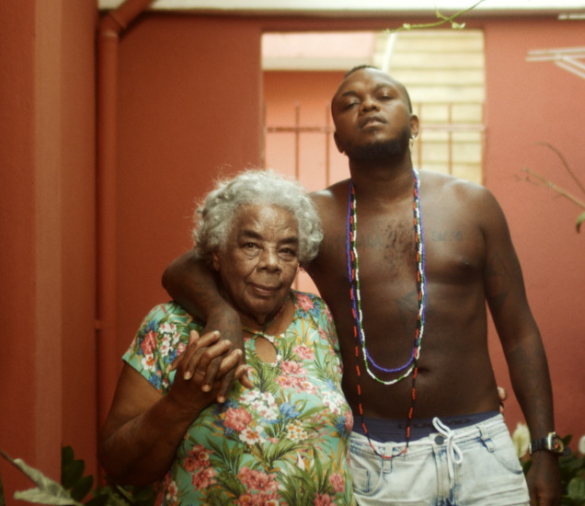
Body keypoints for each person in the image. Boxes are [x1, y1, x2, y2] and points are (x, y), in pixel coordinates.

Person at [164, 66, 561, 505]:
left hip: (479, 444)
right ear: (339, 140)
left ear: (413, 125)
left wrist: (545, 449)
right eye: (349, 103)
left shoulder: (473, 205)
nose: (368, 105)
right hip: (376, 456)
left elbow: (520, 331)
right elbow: (186, 267)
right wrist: (221, 313)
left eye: (384, 95)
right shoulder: (315, 216)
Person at [100, 170, 355, 505]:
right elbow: (117, 465)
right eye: (251, 245)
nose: (270, 263)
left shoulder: (320, 319)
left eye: (287, 251)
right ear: (216, 254)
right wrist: (182, 401)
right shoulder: (170, 327)